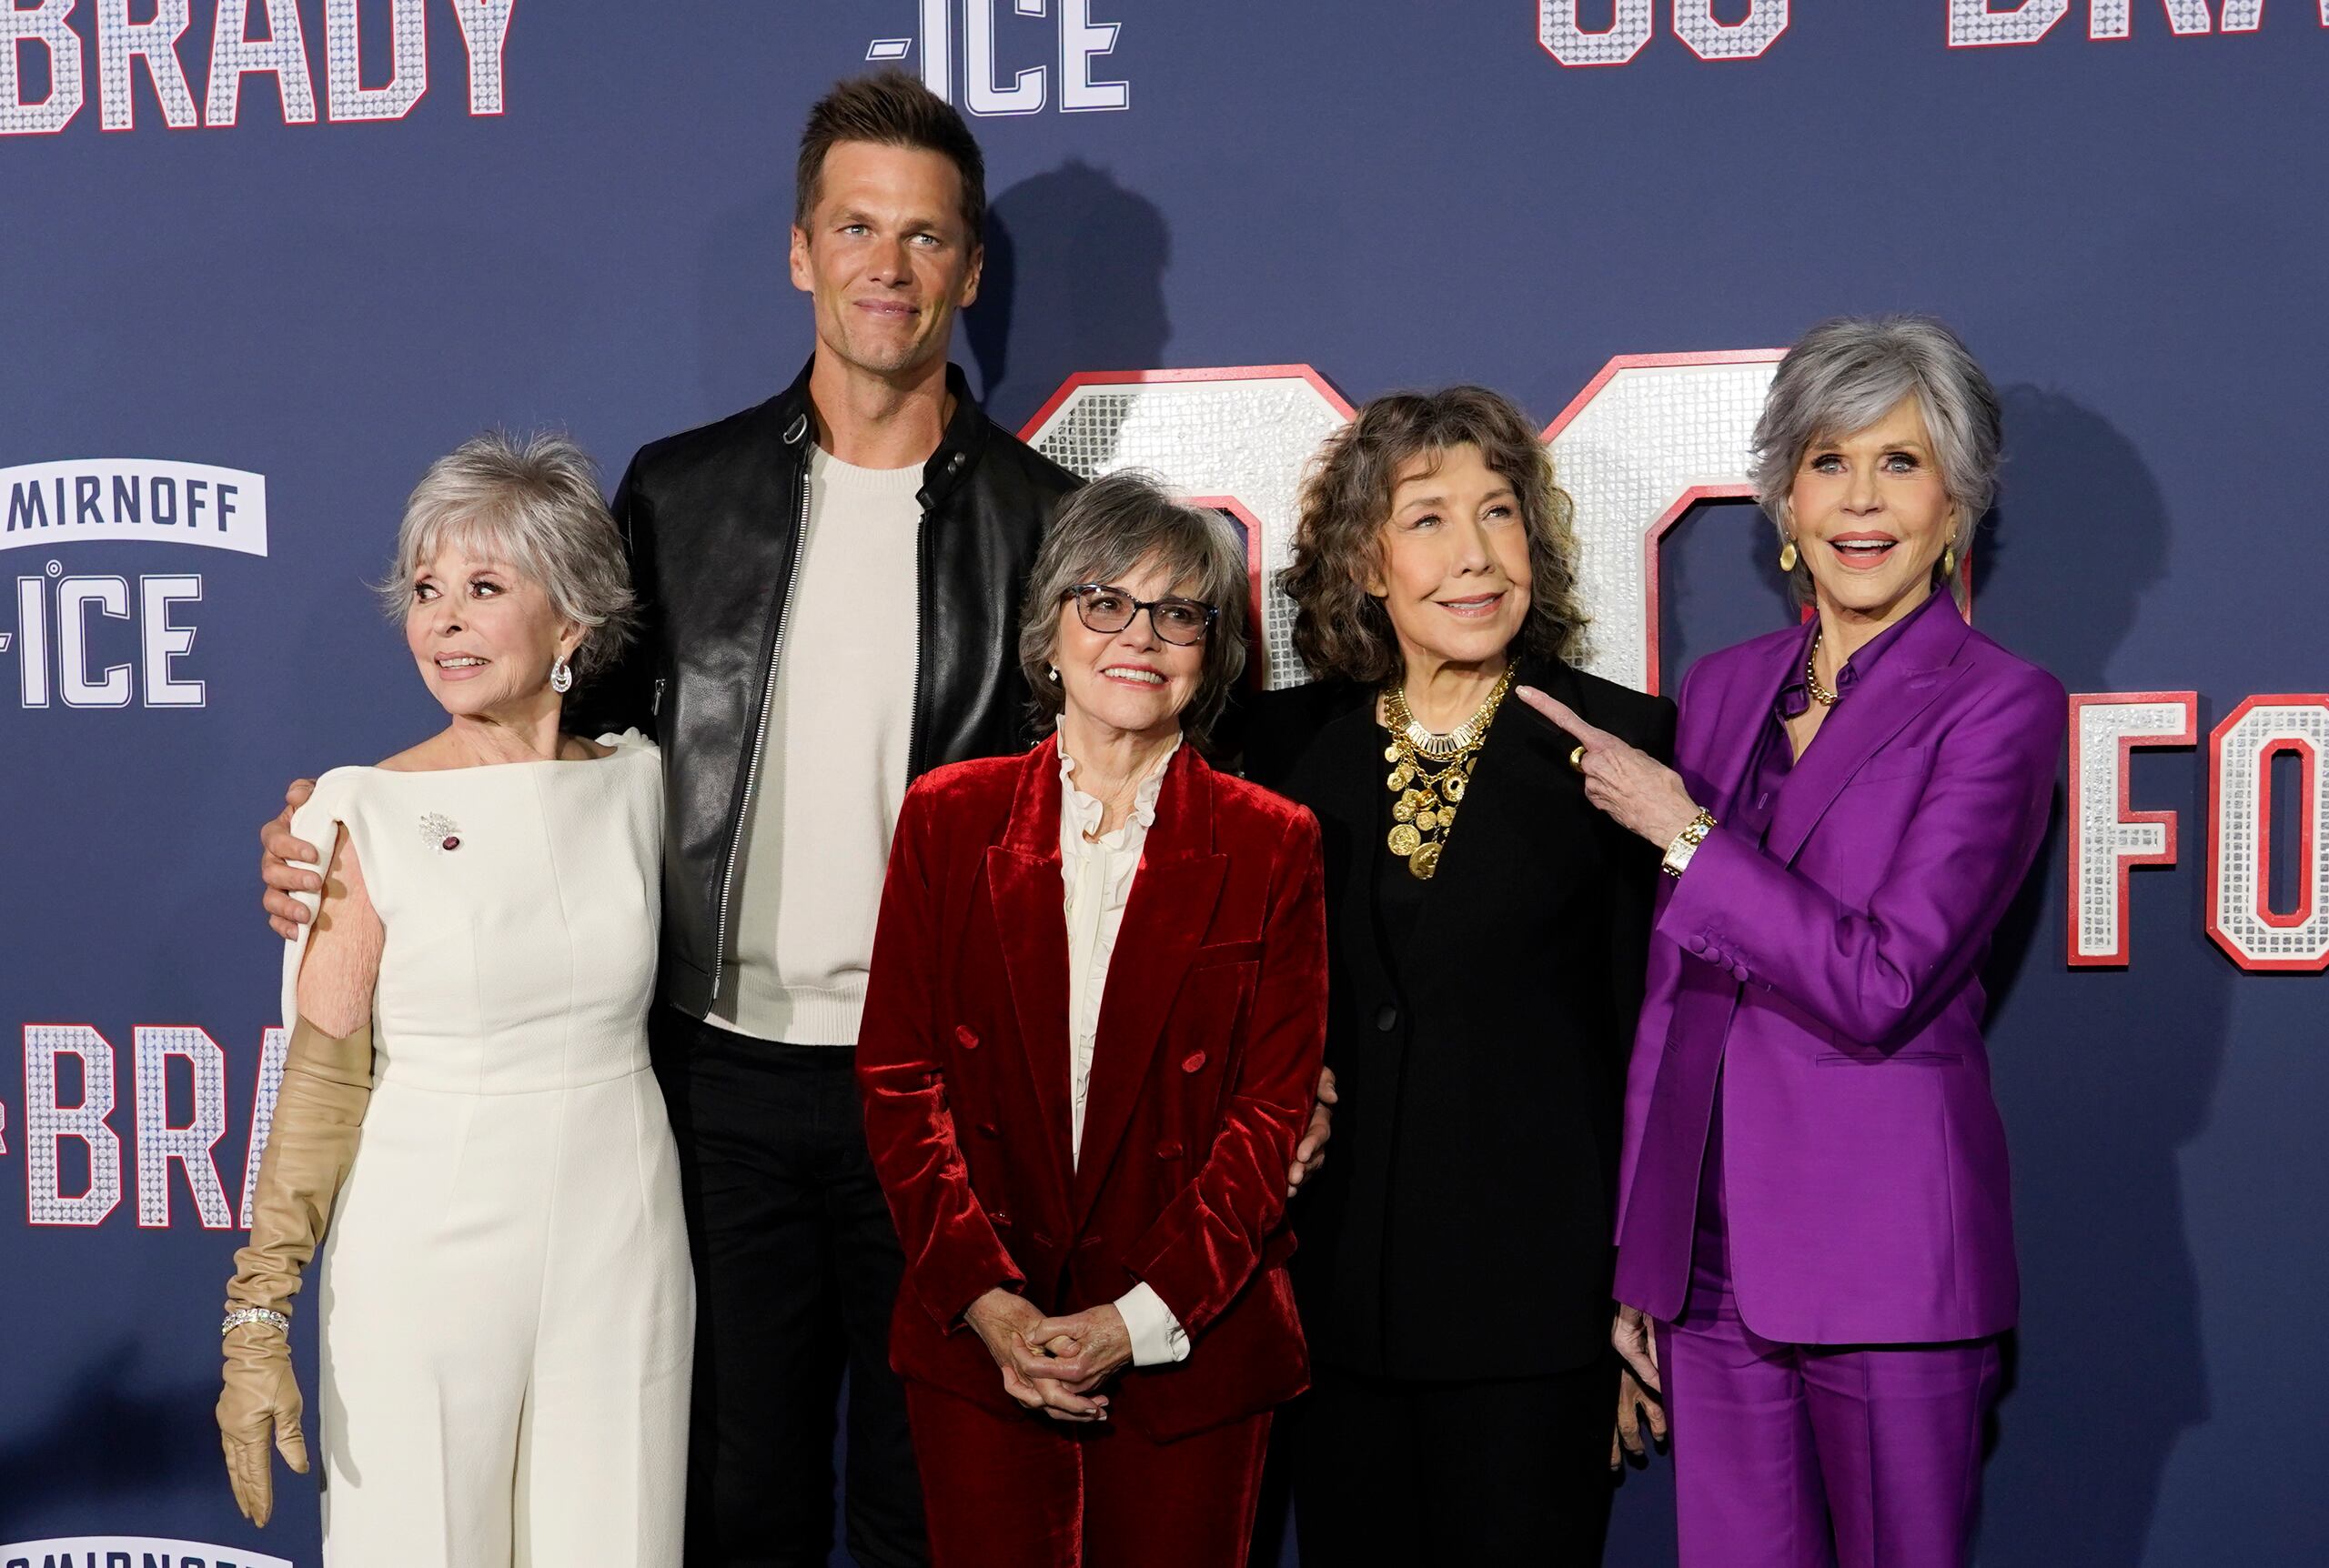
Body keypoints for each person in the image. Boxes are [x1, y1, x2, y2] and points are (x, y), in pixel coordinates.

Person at [257, 72, 1329, 1568]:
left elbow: (1154, 790)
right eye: (855, 226)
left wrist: (1278, 1044)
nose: (888, 264)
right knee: (719, 1499)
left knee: (930, 1503)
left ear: (966, 269)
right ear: (801, 252)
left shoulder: (1041, 525)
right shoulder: (681, 496)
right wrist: (348, 831)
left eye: (925, 236)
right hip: (712, 1091)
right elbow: (536, 744)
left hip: (949, 1102)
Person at [1525, 315, 2065, 1568]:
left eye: (1901, 462)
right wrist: (1642, 1253)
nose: (1860, 501)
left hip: (1885, 1267)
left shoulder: (2001, 706)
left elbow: (1882, 980)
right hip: (1710, 1272)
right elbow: (1675, 986)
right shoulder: (1727, 686)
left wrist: (1686, 834)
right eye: (1829, 462)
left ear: (1958, 503)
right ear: (1782, 495)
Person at [217, 432, 691, 1564]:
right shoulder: (354, 812)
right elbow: (322, 1089)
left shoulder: (641, 782)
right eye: (428, 590)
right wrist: (255, 1314)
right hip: (424, 1250)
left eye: (485, 588)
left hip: (623, 1240)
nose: (445, 619)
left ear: (571, 620)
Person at [855, 473, 1327, 1568]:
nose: (1139, 636)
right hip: (981, 1343)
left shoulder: (1272, 841)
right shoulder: (948, 816)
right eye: (1103, 601)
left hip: (1190, 1351)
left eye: (1178, 612)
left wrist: (1135, 1318)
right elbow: (897, 1078)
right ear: (1051, 628)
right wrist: (991, 1304)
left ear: (1211, 651)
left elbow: (1269, 1113)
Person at [1240, 387, 1675, 1564]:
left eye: (1500, 514)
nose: (1475, 556)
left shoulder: (1623, 744)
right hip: (1331, 1310)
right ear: (1365, 563)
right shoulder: (1274, 751)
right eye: (1428, 520)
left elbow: (1653, 1040)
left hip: (1538, 1316)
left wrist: (1635, 1307)